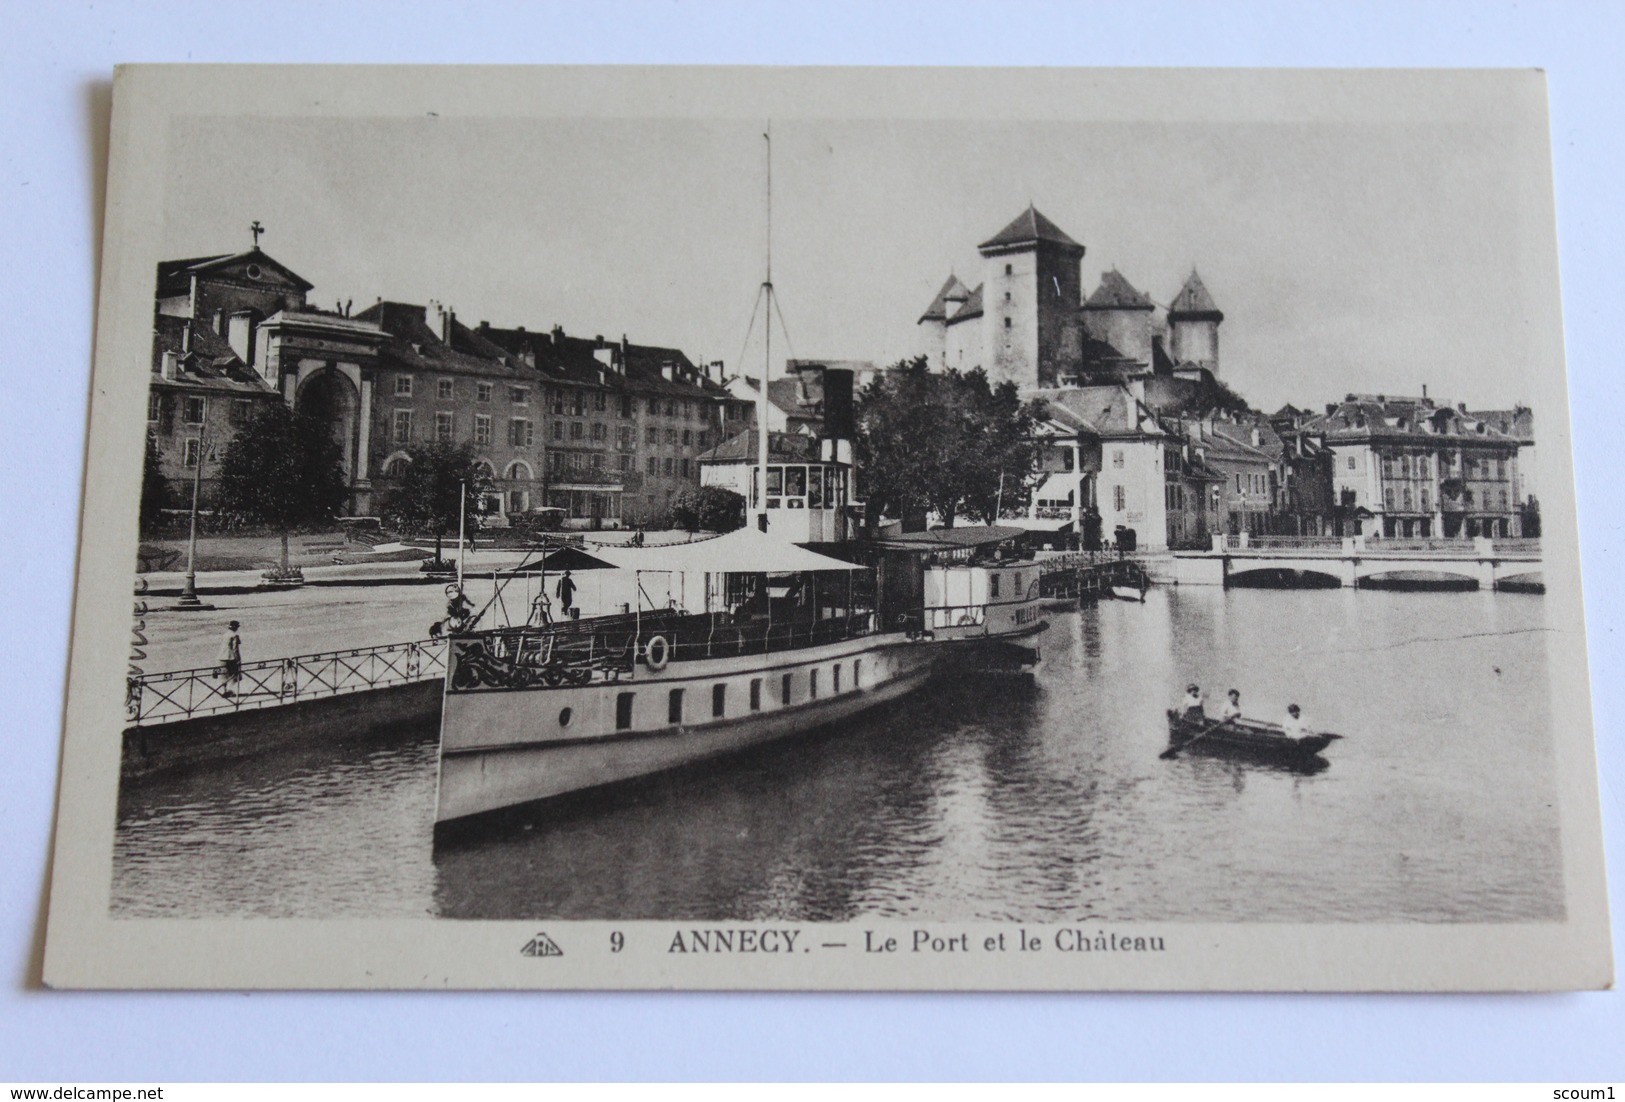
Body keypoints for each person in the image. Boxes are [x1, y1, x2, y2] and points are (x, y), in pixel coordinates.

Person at [217, 620, 243, 697]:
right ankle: (230, 690)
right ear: (235, 627)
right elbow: (235, 649)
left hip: (221, 657)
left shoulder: (225, 635)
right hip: (231, 658)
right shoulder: (235, 635)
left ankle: (224, 691)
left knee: (223, 675)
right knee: (234, 674)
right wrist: (238, 659)